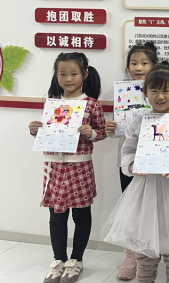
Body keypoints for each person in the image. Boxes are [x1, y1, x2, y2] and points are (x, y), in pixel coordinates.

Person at [104, 62, 169, 283]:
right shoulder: (138, 123)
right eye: (154, 90)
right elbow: (127, 151)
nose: (160, 96)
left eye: (166, 90)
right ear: (145, 93)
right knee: (145, 250)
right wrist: (132, 164)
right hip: (145, 192)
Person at [28, 52, 106, 283]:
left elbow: (102, 132)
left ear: (85, 74)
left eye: (73, 73)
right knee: (56, 216)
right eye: (62, 74)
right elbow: (47, 132)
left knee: (81, 215)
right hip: (54, 167)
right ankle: (59, 260)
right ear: (56, 75)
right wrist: (35, 130)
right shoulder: (51, 103)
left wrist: (91, 133)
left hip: (80, 167)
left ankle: (77, 259)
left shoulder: (91, 104)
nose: (68, 78)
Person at [104, 42, 159, 280]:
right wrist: (111, 128)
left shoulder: (161, 90)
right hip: (129, 158)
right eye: (134, 63)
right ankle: (131, 254)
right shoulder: (124, 92)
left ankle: (150, 251)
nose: (138, 67)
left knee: (153, 207)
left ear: (154, 65)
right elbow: (119, 131)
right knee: (130, 206)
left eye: (144, 63)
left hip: (156, 156)